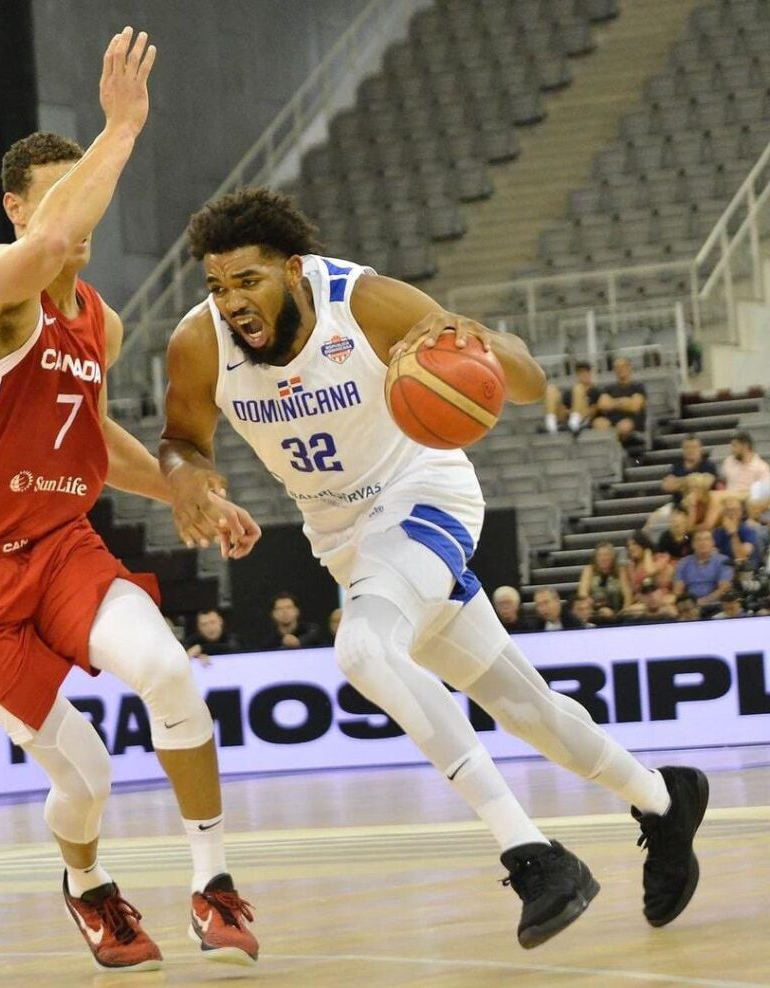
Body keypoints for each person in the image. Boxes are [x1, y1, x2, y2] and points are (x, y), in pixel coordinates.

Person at [159, 186, 707, 949]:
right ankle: (662, 798)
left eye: (247, 281)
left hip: (425, 493)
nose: (232, 302)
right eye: (217, 287)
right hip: (344, 537)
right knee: (529, 711)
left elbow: (525, 382)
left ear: (292, 269)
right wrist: (186, 476)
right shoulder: (197, 343)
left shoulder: (366, 303)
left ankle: (531, 852)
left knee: (360, 649)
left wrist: (487, 347)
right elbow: (182, 437)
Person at [0, 32, 259, 973]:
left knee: (169, 671)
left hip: (58, 544)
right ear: (16, 209)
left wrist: (185, 483)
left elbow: (87, 438)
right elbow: (54, 239)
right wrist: (123, 127)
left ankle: (211, 885)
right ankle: (88, 886)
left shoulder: (99, 317)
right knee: (86, 773)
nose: (81, 212)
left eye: (90, 183)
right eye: (64, 191)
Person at [593, 356, 646, 445]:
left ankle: (618, 451)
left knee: (624, 426)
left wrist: (612, 403)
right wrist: (625, 401)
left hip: (631, 420)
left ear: (629, 368)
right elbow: (603, 405)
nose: (620, 369)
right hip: (611, 421)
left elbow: (635, 406)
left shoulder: (638, 387)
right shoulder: (608, 388)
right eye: (617, 367)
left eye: (623, 366)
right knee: (598, 423)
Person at [673, 530, 733, 608]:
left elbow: (723, 589)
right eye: (698, 540)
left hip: (716, 604)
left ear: (713, 543)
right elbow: (678, 590)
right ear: (693, 544)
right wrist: (689, 603)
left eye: (706, 539)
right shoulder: (683, 562)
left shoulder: (724, 561)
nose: (702, 543)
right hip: (690, 606)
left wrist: (702, 602)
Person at [543, 361, 599, 435]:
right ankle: (550, 424)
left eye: (586, 372)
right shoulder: (570, 392)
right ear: (577, 375)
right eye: (581, 372)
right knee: (551, 389)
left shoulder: (596, 391)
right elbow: (564, 410)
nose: (584, 374)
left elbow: (594, 410)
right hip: (567, 419)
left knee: (579, 388)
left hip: (585, 419)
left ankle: (575, 422)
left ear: (590, 373)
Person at [576, 541, 630, 613]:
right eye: (599, 555)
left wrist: (624, 612)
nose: (603, 558)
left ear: (612, 557)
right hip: (594, 610)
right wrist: (597, 608)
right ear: (595, 558)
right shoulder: (589, 570)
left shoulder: (620, 571)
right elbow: (583, 594)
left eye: (606, 555)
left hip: (618, 611)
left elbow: (628, 595)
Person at [720, 431, 770, 501]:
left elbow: (764, 495)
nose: (732, 450)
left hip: (750, 505)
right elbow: (722, 483)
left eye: (735, 446)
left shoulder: (762, 467)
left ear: (745, 446)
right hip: (730, 504)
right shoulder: (728, 462)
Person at [711, 496, 761, 567]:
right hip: (724, 570)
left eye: (734, 510)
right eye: (727, 510)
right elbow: (712, 554)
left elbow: (740, 557)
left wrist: (733, 534)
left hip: (745, 572)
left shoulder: (748, 530)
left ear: (741, 512)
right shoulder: (718, 531)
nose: (731, 513)